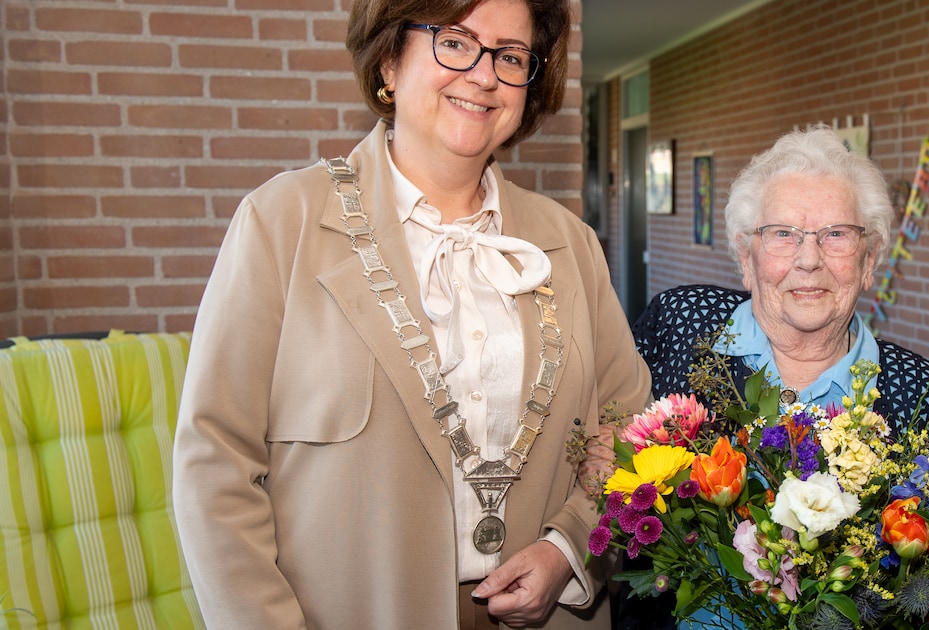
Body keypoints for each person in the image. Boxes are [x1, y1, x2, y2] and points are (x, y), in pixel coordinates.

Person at [171, 0, 650, 627]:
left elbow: (631, 421)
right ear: (390, 60)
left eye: (510, 56)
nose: (483, 75)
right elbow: (216, 462)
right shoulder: (280, 223)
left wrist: (568, 546)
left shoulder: (573, 246)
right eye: (456, 41)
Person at [616, 126, 929, 628]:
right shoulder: (680, 326)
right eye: (783, 234)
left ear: (869, 260)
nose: (809, 259)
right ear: (747, 257)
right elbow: (608, 475)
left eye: (836, 235)